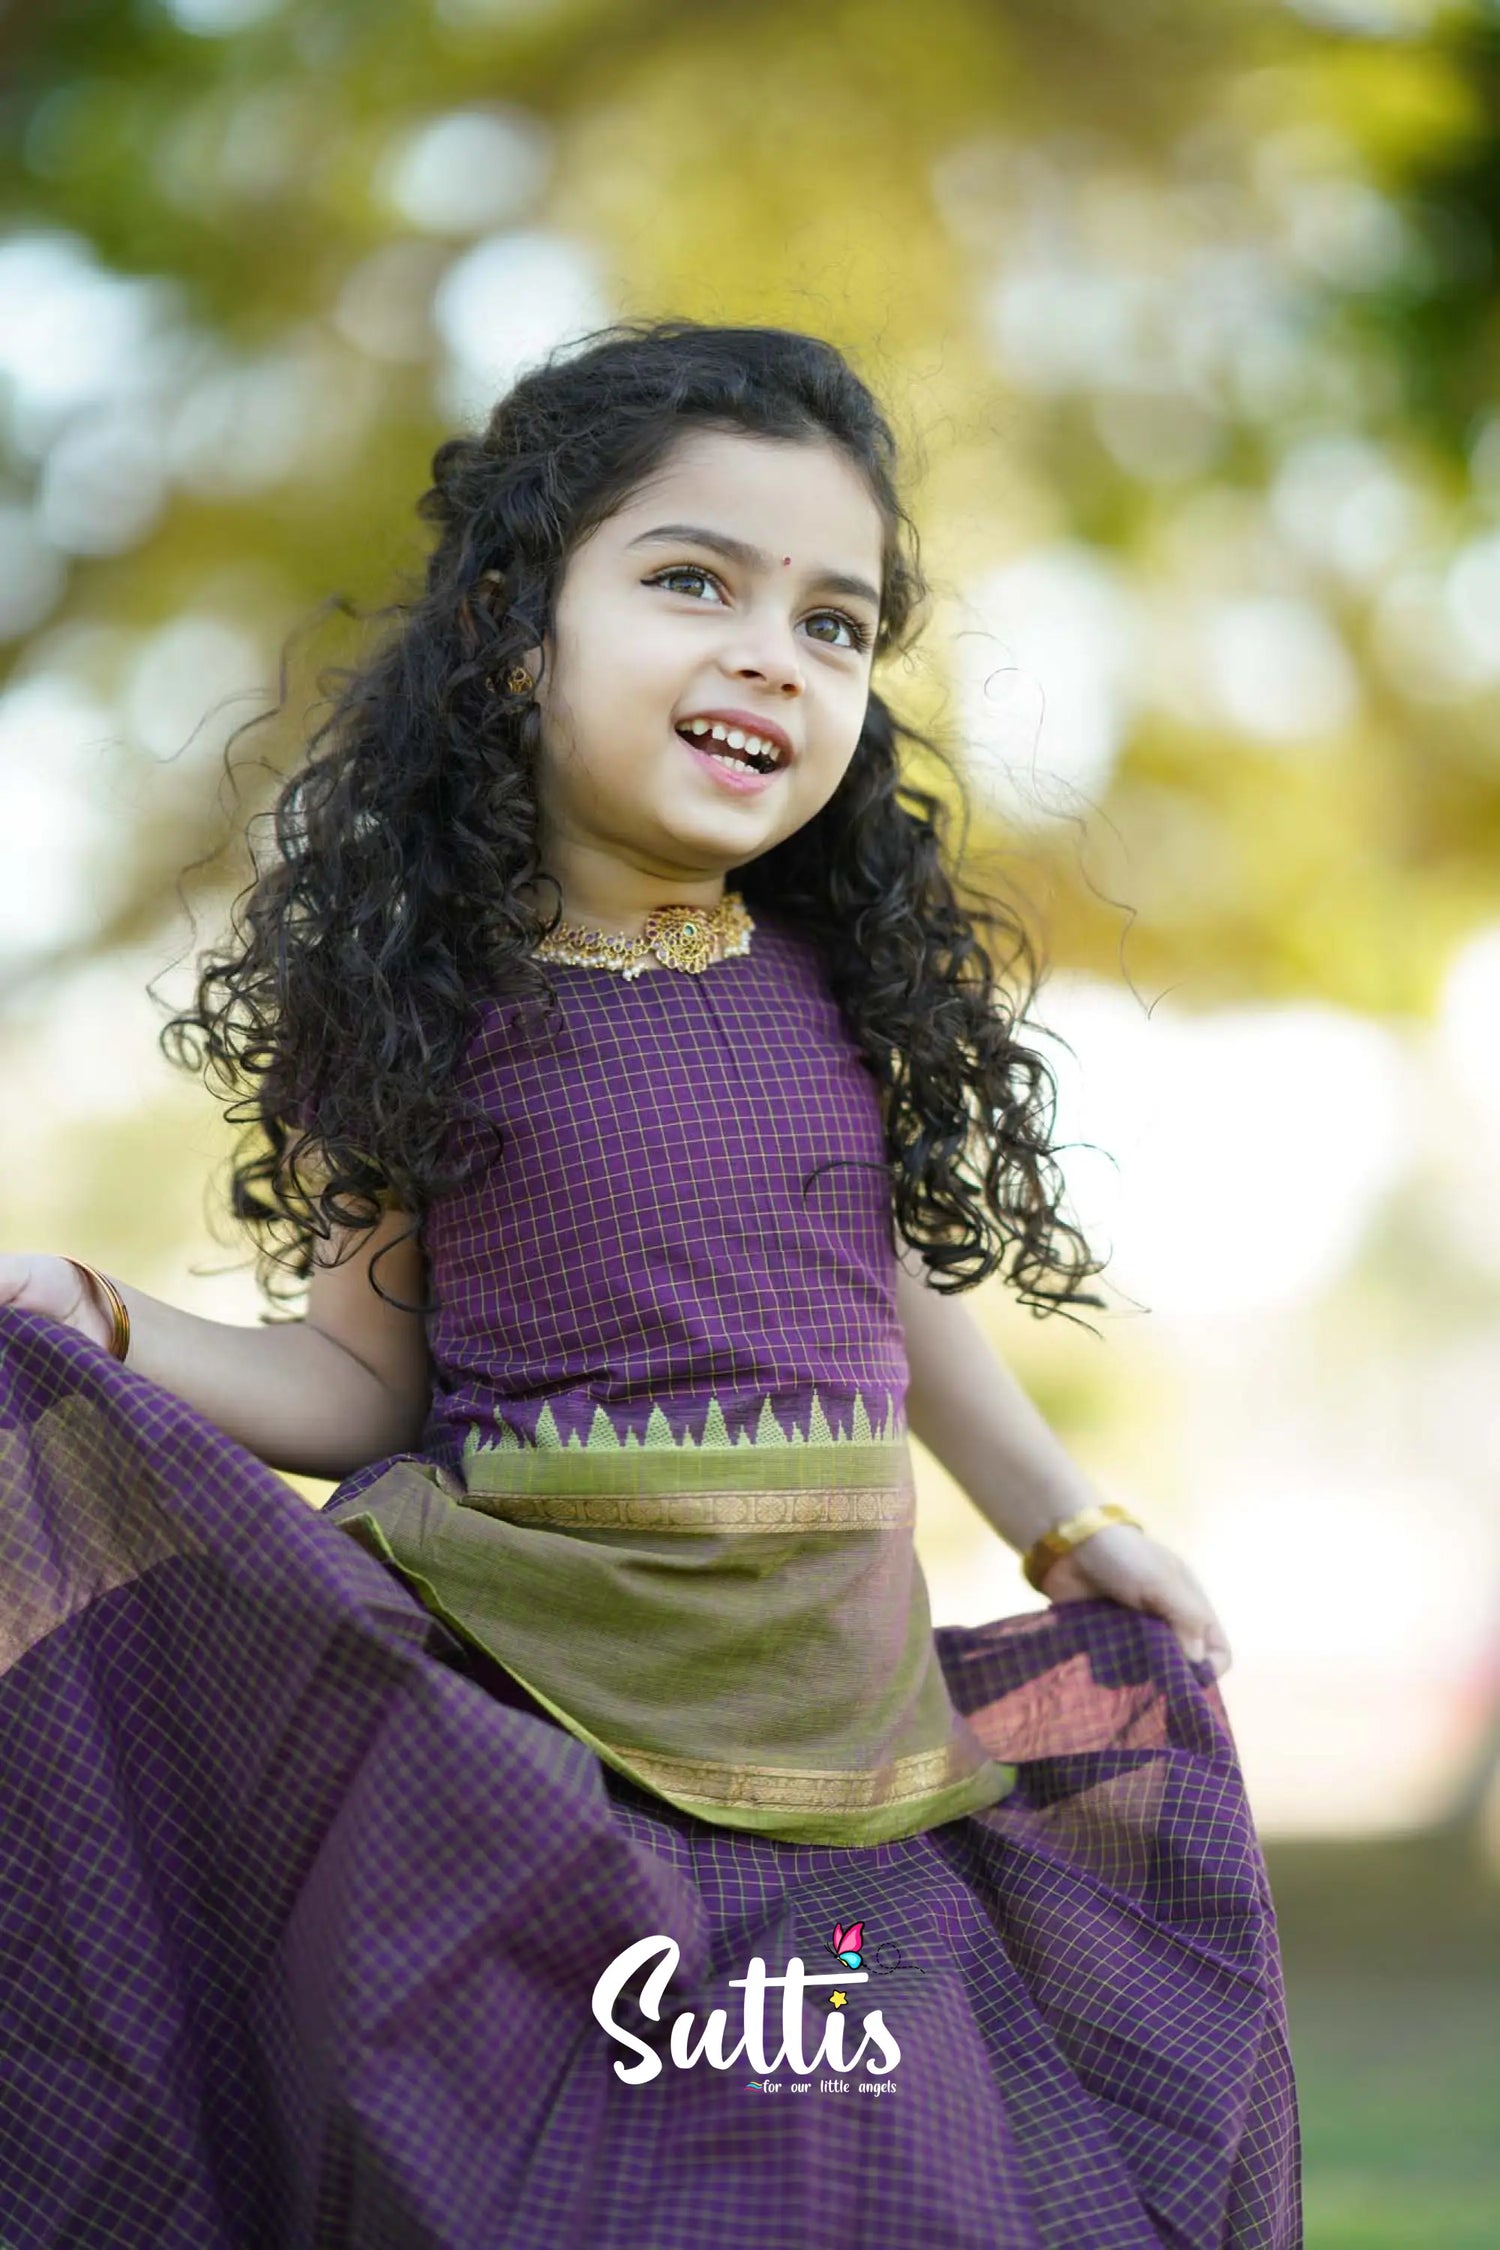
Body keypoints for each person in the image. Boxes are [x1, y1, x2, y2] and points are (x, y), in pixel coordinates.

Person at [0, 320, 1300, 2247]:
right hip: (511, 1755)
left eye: (834, 622)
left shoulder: (839, 994)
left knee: (899, 2192)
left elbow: (895, 1297)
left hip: (841, 1759)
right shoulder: (421, 1014)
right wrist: (100, 1317)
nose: (774, 652)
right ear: (515, 631)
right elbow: (357, 1390)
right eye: (695, 581)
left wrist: (1067, 1521)